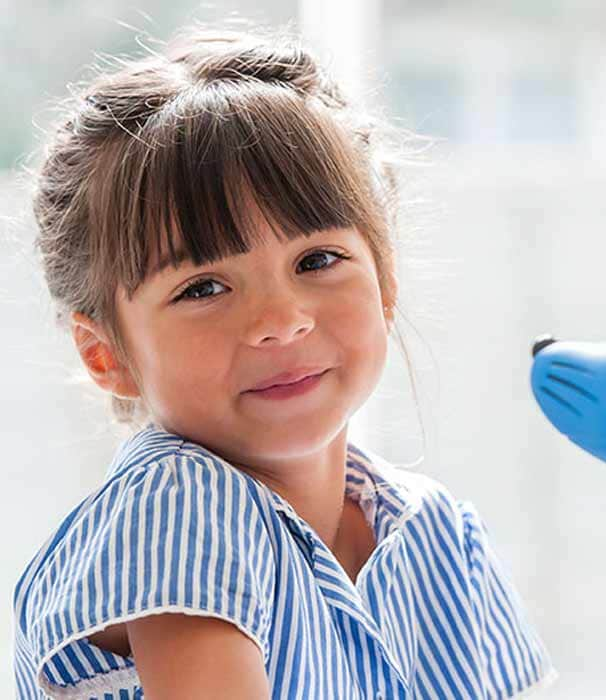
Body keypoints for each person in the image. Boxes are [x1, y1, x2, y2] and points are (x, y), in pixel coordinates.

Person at [12, 15, 558, 700]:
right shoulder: (180, 507)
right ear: (106, 356)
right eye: (203, 287)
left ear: (384, 281)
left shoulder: (437, 533)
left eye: (317, 259)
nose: (280, 321)